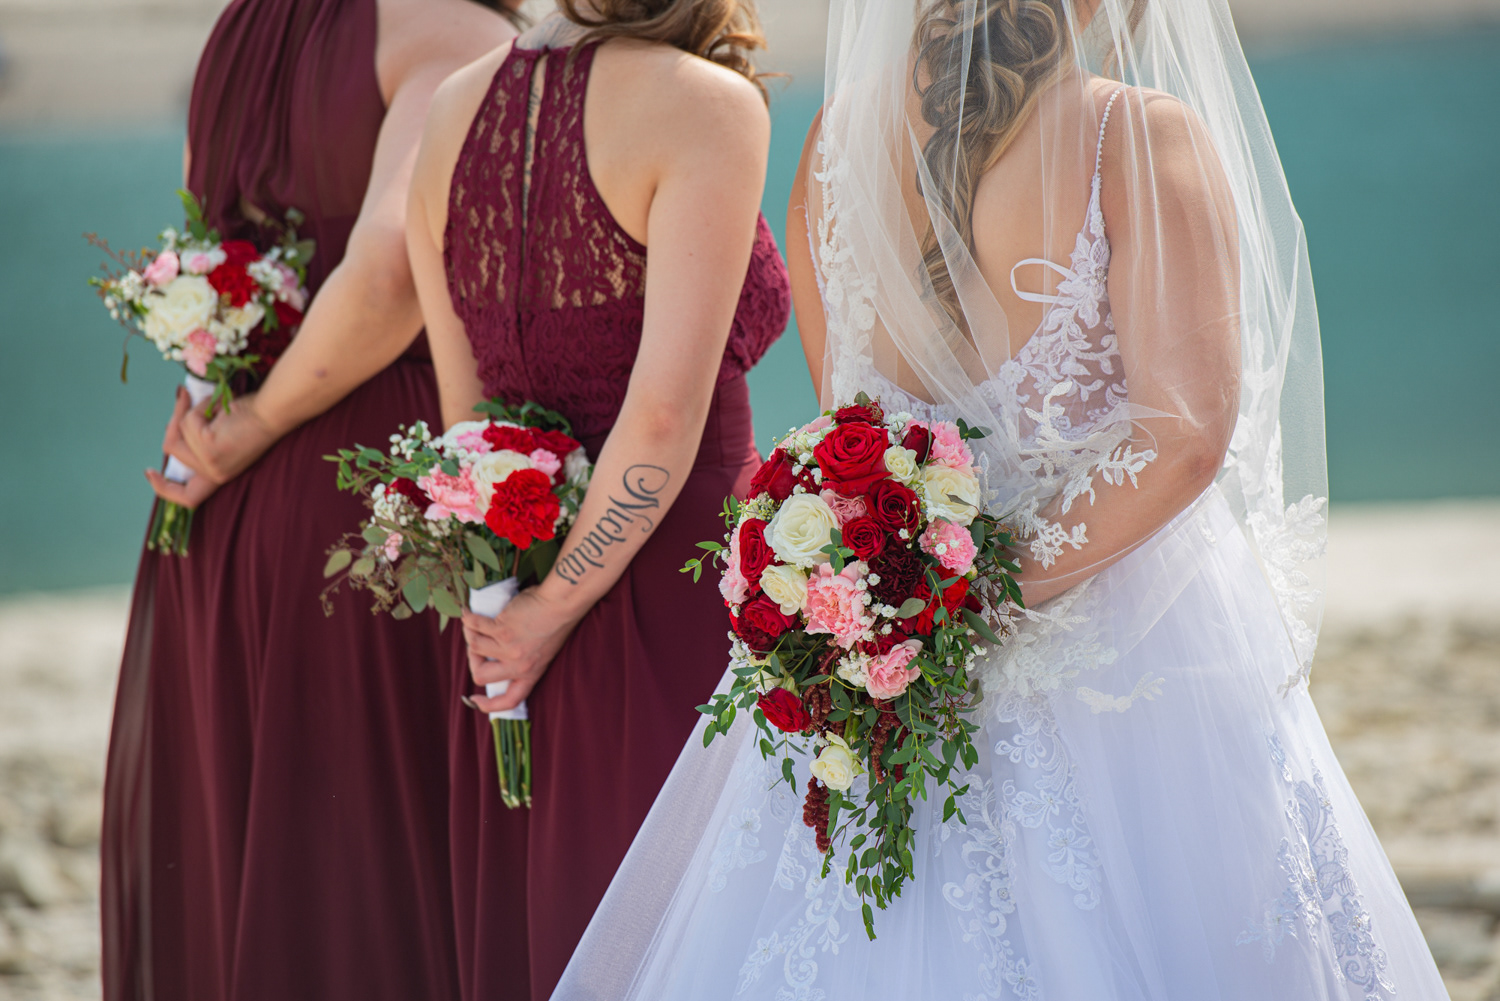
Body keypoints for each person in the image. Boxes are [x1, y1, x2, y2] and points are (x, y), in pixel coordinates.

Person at [548, 0, 1452, 998]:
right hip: (1118, 640)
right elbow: (1186, 434)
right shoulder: (1137, 138)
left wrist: (902, 600)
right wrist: (971, 593)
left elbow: (850, 415)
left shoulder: (836, 141)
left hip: (882, 651)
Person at [99, 0, 518, 997]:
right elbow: (384, 275)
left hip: (222, 500)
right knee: (359, 879)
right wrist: (257, 422)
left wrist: (232, 422)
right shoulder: (452, 34)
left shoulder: (248, 25)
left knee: (250, 849)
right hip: (359, 496)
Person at [405, 2, 791, 997]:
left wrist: (515, 603)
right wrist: (549, 611)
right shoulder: (706, 106)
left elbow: (465, 420)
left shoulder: (450, 109)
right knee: (687, 918)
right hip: (675, 598)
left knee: (552, 907)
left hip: (507, 599)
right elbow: (663, 417)